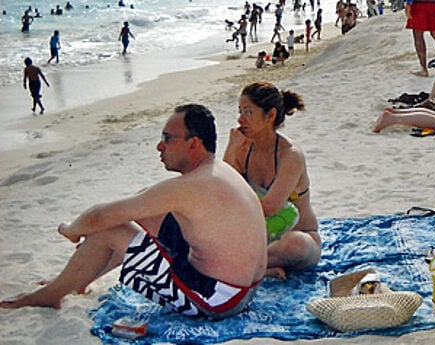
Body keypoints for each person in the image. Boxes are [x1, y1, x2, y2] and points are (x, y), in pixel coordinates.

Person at [0, 105, 267, 316]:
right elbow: (136, 206)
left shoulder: (192, 185)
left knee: (111, 229)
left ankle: (49, 297)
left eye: (167, 138)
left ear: (193, 144)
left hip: (214, 300)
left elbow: (99, 217)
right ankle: (79, 279)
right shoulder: (218, 173)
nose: (159, 146)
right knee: (139, 214)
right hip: (242, 293)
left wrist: (71, 230)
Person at [223, 83, 320, 279]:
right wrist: (231, 150)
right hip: (256, 240)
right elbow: (223, 189)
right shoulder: (243, 148)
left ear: (271, 115)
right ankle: (260, 269)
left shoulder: (290, 155)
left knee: (296, 245)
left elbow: (269, 207)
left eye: (248, 112)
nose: (240, 119)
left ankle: (237, 267)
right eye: (240, 111)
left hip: (295, 237)